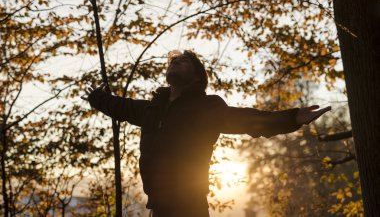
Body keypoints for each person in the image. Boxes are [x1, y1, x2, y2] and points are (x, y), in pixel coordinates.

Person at [81, 50, 331, 217]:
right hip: (158, 207)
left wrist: (292, 118)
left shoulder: (206, 107)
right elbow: (121, 107)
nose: (175, 62)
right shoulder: (152, 109)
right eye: (172, 62)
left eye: (183, 61)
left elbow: (250, 120)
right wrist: (97, 98)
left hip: (190, 207)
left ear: (197, 77)